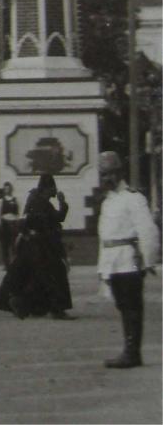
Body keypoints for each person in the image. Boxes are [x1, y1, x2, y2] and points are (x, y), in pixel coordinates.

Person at [97, 150, 159, 369]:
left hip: (129, 260)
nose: (106, 179)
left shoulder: (134, 198)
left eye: (110, 174)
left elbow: (148, 231)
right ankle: (129, 350)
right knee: (123, 306)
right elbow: (105, 238)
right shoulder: (108, 202)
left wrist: (149, 261)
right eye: (103, 174)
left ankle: (132, 353)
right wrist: (102, 268)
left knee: (132, 307)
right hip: (113, 263)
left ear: (120, 173)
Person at [0, 173, 72, 319]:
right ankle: (54, 309)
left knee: (33, 277)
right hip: (41, 246)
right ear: (47, 189)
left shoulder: (35, 200)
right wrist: (62, 203)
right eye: (53, 188)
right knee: (53, 275)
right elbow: (56, 218)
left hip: (30, 245)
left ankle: (26, 304)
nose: (54, 191)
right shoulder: (42, 203)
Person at [0, 182, 20, 269]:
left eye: (8, 188)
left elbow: (19, 213)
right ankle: (6, 264)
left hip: (13, 224)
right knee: (5, 245)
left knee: (14, 245)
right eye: (5, 189)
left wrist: (18, 223)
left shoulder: (16, 200)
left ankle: (15, 263)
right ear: (4, 190)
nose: (7, 190)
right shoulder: (1, 201)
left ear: (11, 189)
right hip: (5, 224)